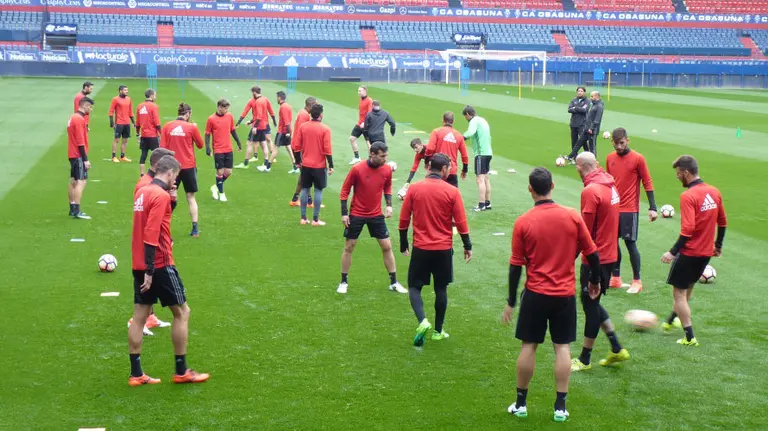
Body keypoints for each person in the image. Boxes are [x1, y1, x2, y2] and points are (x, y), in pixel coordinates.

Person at [502, 167, 601, 423]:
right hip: (564, 295)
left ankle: (521, 404)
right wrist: (595, 281)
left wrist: (511, 301)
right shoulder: (572, 216)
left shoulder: (523, 221)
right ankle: (560, 407)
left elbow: (515, 265)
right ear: (553, 186)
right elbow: (593, 253)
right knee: (562, 348)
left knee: (528, 346)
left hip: (535, 294)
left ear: (530, 189)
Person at [129, 155, 209, 386]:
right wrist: (151, 271)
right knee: (182, 312)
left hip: (138, 262)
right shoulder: (160, 194)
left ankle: (136, 374)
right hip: (159, 264)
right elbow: (153, 233)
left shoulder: (142, 191)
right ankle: (181, 370)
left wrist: (172, 201)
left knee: (139, 317)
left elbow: (155, 221)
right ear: (171, 172)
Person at [399, 153, 472, 346]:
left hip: (421, 248)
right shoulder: (452, 191)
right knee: (441, 288)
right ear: (445, 169)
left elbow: (404, 218)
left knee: (414, 287)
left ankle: (422, 320)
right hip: (443, 249)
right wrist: (467, 245)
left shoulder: (414, 189)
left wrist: (402, 241)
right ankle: (438, 331)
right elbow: (461, 222)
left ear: (429, 167)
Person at [570, 152, 629, 372]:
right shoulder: (610, 185)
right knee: (590, 302)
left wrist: (572, 257)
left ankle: (585, 358)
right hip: (610, 254)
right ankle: (615, 347)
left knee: (590, 304)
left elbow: (584, 233)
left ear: (580, 167)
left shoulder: (591, 191)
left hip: (596, 257)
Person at [660, 155, 727, 347]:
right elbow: (722, 222)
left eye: (678, 173)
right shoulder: (714, 192)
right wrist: (718, 245)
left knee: (679, 294)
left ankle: (689, 337)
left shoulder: (688, 196)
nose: (677, 177)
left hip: (689, 253)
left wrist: (672, 252)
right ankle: (672, 318)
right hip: (705, 253)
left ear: (686, 173)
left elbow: (688, 229)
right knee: (687, 287)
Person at [338, 141, 406, 295]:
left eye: (386, 156)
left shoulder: (387, 169)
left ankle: (394, 282)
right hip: (357, 214)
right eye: (382, 156)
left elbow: (387, 187)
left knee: (387, 246)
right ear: (372, 154)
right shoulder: (357, 169)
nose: (384, 159)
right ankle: (343, 281)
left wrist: (388, 204)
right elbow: (344, 190)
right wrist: (344, 213)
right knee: (349, 246)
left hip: (376, 214)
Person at [128, 147, 176, 336]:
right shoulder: (145, 186)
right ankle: (139, 319)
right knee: (147, 288)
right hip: (148, 248)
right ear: (159, 165)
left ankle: (150, 317)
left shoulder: (151, 185)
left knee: (148, 289)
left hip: (148, 245)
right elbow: (148, 221)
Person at [605, 128, 657, 294]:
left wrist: (653, 207)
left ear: (628, 140)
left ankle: (637, 280)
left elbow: (647, 182)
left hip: (629, 209)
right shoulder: (610, 158)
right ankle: (615, 278)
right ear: (612, 141)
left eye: (622, 143)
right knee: (612, 243)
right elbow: (608, 183)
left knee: (630, 244)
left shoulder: (638, 159)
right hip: (613, 208)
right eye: (616, 143)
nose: (619, 147)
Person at [161, 103, 204, 237]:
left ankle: (163, 227)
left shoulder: (167, 126)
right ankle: (195, 229)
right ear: (188, 114)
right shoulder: (191, 127)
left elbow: (162, 147)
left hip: (172, 167)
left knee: (168, 198)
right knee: (191, 197)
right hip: (189, 166)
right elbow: (201, 145)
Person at [294, 103, 333, 225]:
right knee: (318, 191)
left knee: (305, 189)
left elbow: (296, 146)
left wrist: (298, 161)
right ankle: (315, 219)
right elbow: (327, 149)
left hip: (306, 164)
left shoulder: (303, 127)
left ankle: (303, 218)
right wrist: (331, 165)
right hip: (319, 166)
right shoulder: (325, 129)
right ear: (321, 114)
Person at [205, 99, 242, 203]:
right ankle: (221, 193)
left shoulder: (229, 116)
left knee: (228, 172)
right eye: (224, 108)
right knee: (220, 172)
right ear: (219, 107)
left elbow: (232, 130)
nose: (226, 110)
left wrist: (238, 142)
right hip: (218, 149)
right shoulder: (211, 119)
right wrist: (207, 147)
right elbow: (207, 134)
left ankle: (215, 187)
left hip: (228, 148)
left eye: (227, 108)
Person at [289, 97, 320, 208]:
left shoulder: (303, 113)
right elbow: (302, 133)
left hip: (298, 147)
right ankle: (309, 201)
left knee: (304, 175)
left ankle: (296, 199)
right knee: (306, 175)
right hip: (299, 149)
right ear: (310, 106)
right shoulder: (304, 115)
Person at [425, 112, 469, 188]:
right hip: (451, 170)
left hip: (437, 170)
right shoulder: (459, 135)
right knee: (452, 197)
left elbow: (430, 148)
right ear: (453, 121)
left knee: (434, 195)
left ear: (443, 120)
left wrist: (426, 162)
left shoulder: (436, 132)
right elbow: (465, 155)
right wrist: (465, 170)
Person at [461, 105, 493, 211]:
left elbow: (470, 132)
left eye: (465, 116)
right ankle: (487, 203)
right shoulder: (483, 120)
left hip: (480, 153)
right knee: (486, 178)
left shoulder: (474, 121)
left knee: (480, 179)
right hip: (488, 152)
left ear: (468, 114)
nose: (465, 119)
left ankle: (481, 205)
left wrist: (461, 139)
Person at [68, 96, 94, 220]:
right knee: (81, 181)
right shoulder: (79, 119)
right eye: (90, 107)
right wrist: (85, 159)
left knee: (73, 181)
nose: (91, 109)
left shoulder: (73, 117)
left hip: (72, 154)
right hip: (78, 155)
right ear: (84, 106)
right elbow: (80, 141)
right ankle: (77, 211)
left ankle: (72, 208)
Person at [234, 86, 273, 169]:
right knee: (263, 143)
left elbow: (245, 112)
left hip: (257, 126)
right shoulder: (264, 99)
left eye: (252, 93)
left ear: (254, 92)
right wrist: (273, 119)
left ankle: (245, 163)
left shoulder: (255, 101)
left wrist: (238, 123)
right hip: (264, 125)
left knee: (249, 143)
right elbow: (268, 111)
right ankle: (266, 164)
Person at [567, 90, 603, 161]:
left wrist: (592, 128)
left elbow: (597, 120)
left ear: (597, 97)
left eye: (592, 96)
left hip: (592, 130)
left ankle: (593, 161)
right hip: (587, 128)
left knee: (592, 147)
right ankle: (570, 157)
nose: (591, 98)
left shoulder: (599, 106)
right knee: (579, 143)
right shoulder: (594, 105)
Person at [136, 89, 162, 177]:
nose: (155, 97)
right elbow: (157, 122)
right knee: (157, 155)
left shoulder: (140, 106)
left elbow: (137, 123)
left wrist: (137, 134)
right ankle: (155, 173)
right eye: (154, 95)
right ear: (151, 96)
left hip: (143, 135)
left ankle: (142, 175)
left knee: (143, 155)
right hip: (152, 135)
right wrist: (161, 133)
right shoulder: (154, 106)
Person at [108, 84, 134, 163]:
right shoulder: (115, 99)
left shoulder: (129, 99)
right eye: (125, 90)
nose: (127, 91)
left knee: (125, 140)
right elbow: (111, 111)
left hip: (127, 123)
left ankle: (123, 156)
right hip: (119, 123)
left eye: (127, 90)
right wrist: (112, 122)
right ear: (120, 91)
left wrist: (133, 122)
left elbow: (130, 112)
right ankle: (114, 156)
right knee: (117, 140)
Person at [348, 85, 372, 165]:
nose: (358, 92)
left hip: (366, 125)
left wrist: (365, 123)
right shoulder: (361, 100)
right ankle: (357, 157)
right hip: (359, 123)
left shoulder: (369, 101)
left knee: (368, 143)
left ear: (365, 91)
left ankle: (370, 160)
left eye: (360, 91)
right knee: (352, 138)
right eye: (358, 91)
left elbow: (369, 113)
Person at [275, 91, 297, 174]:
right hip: (286, 131)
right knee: (289, 148)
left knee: (275, 148)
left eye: (277, 97)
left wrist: (288, 132)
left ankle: (267, 166)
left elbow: (287, 121)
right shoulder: (287, 106)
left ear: (280, 98)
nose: (276, 99)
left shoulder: (283, 107)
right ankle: (295, 166)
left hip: (282, 131)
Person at [567, 86, 588, 155]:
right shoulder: (574, 100)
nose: (579, 92)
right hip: (573, 123)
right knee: (574, 141)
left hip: (582, 124)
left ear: (584, 92)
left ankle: (588, 155)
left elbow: (584, 110)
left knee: (583, 140)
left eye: (581, 91)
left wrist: (575, 107)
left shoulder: (587, 101)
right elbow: (569, 109)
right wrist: (579, 109)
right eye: (578, 91)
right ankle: (574, 157)